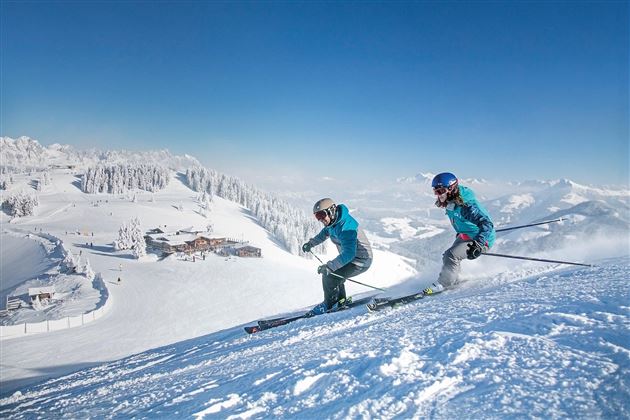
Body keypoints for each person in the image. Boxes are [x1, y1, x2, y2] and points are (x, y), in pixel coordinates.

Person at [424, 172, 495, 295]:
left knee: (451, 255)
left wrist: (479, 244)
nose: (438, 195)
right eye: (435, 191)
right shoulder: (451, 201)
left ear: (451, 189)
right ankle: (453, 278)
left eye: (441, 191)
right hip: (466, 235)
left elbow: (487, 224)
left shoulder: (467, 206)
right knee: (447, 256)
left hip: (481, 238)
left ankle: (444, 284)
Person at [302, 198, 373, 315]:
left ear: (331, 211)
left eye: (321, 215)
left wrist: (330, 267)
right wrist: (311, 243)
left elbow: (349, 253)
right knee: (336, 275)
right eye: (317, 216)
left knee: (330, 276)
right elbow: (324, 234)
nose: (320, 219)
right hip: (352, 258)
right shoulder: (333, 223)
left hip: (361, 260)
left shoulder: (346, 228)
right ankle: (340, 301)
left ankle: (330, 304)